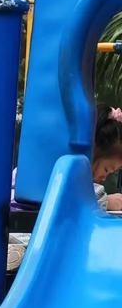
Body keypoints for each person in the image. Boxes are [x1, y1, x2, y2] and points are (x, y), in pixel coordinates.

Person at [8, 103, 122, 269]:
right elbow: (83, 201)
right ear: (93, 152)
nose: (104, 178)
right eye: (106, 169)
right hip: (28, 238)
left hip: (17, 229)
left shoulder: (40, 166)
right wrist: (109, 201)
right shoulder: (73, 180)